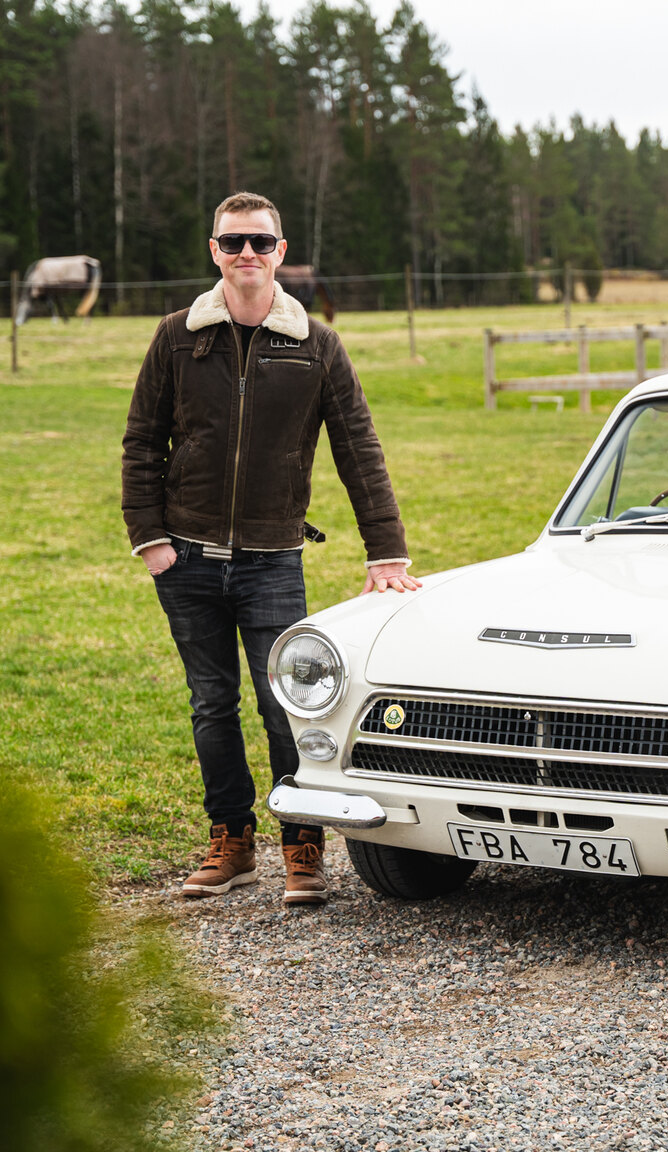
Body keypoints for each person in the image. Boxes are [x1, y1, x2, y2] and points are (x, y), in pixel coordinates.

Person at [121, 190, 421, 905]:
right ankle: (231, 841)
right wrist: (150, 539)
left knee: (286, 703)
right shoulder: (177, 337)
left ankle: (301, 847)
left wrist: (386, 550)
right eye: (233, 242)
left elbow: (359, 448)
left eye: (260, 241)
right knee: (210, 704)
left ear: (281, 252)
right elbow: (142, 440)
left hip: (272, 561)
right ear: (214, 251)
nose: (247, 253)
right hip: (185, 558)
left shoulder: (316, 345)